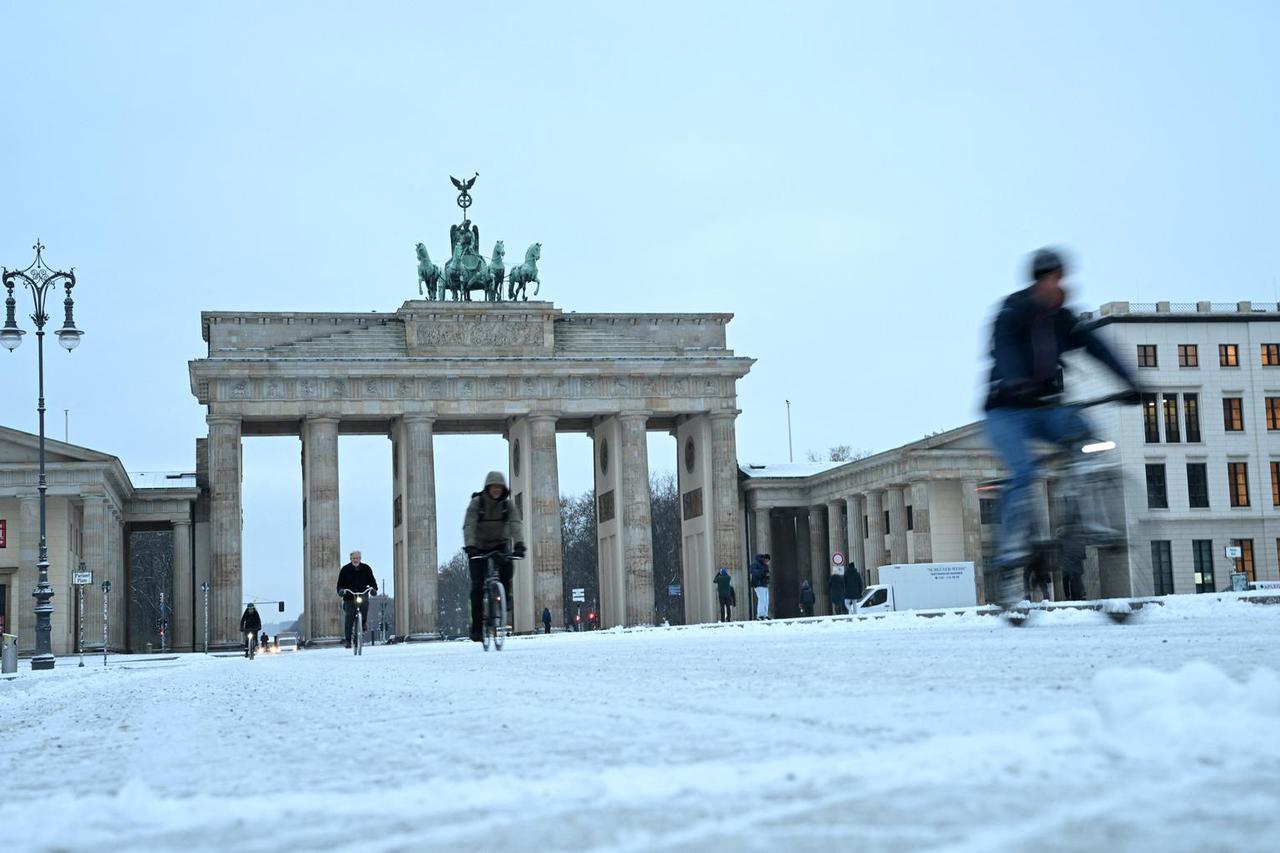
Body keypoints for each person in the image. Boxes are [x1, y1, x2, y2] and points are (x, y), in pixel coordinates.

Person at [983, 248, 1142, 607]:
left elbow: (1097, 348)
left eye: (1060, 278)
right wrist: (1017, 378)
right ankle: (1012, 550)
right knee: (1023, 473)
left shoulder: (1062, 319)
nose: (1056, 285)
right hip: (1006, 410)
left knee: (1087, 436)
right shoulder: (1012, 313)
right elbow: (1004, 347)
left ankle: (1091, 511)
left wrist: (1131, 381)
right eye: (1049, 279)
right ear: (1038, 281)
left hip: (1048, 410)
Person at [463, 471, 526, 642]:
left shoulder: (508, 505)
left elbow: (515, 523)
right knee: (477, 587)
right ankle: (477, 627)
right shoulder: (477, 503)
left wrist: (519, 544)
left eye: (499, 487)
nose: (497, 490)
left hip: (500, 543)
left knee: (508, 567)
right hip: (478, 546)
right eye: (493, 487)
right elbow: (469, 525)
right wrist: (470, 547)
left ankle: (506, 594)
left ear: (503, 488)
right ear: (488, 488)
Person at [336, 550, 378, 649]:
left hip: (362, 593)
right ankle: (348, 640)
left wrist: (373, 589)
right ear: (350, 559)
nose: (355, 560)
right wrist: (341, 591)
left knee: (365, 603)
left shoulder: (366, 568)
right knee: (349, 616)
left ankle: (363, 622)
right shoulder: (345, 569)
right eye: (353, 558)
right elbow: (340, 584)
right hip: (349, 596)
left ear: (360, 559)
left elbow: (372, 581)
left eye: (357, 558)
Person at [748, 554, 771, 620]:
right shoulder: (756, 564)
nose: (767, 562)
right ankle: (760, 615)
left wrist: (767, 577)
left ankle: (765, 614)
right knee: (762, 599)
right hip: (758, 584)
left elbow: (766, 574)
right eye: (767, 560)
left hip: (765, 584)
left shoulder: (765, 565)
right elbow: (752, 571)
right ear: (764, 559)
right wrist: (762, 572)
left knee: (766, 600)